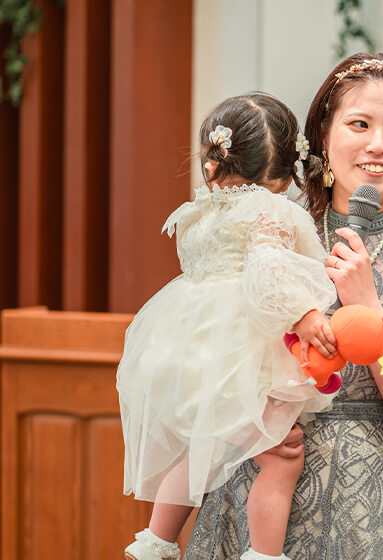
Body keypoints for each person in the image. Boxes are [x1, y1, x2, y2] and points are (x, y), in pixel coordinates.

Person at [186, 53, 383, 559]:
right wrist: (242, 417)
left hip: (367, 526)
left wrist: (369, 309)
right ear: (323, 135)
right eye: (360, 124)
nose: (378, 144)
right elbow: (195, 350)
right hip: (248, 504)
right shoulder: (265, 230)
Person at [118, 92, 340, 560]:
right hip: (244, 352)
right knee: (281, 456)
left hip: (190, 346)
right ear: (288, 172)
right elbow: (266, 271)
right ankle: (263, 555)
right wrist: (303, 314)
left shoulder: (199, 211)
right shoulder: (270, 210)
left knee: (200, 444)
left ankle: (156, 541)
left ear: (213, 163)